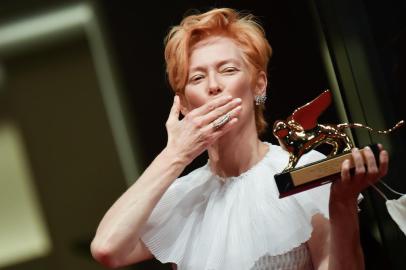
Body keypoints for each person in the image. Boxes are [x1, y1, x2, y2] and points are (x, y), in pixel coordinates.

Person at [90, 8, 389, 270]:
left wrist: (342, 206)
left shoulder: (301, 171)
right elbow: (107, 249)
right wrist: (175, 155)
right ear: (183, 103)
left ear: (258, 85)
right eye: (197, 78)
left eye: (228, 70)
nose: (214, 86)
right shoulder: (183, 197)